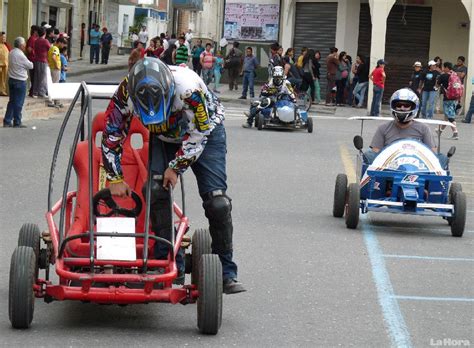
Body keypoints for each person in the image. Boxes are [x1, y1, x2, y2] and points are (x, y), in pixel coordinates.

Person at [101, 57, 246, 294]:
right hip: (164, 138)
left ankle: (226, 271)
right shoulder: (125, 92)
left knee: (218, 203)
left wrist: (176, 167)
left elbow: (199, 134)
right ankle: (168, 262)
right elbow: (111, 134)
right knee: (156, 190)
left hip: (206, 132)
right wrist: (115, 177)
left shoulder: (189, 91)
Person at [364, 88, 447, 169]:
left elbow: (432, 154)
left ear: (414, 107)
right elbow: (375, 152)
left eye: (406, 105)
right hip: (388, 168)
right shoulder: (383, 128)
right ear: (393, 106)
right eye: (398, 105)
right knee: (369, 155)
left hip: (418, 168)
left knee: (441, 158)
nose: (402, 108)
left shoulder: (424, 129)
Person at [3, 37, 33, 128]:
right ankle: (17, 121)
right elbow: (30, 65)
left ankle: (7, 120)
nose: (25, 46)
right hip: (20, 80)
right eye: (24, 44)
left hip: (12, 79)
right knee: (19, 102)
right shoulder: (20, 55)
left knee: (12, 101)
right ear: (21, 45)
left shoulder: (11, 52)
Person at [437, 62, 459, 140]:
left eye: (444, 67)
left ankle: (455, 133)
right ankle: (440, 131)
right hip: (454, 98)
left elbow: (437, 84)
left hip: (447, 98)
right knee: (446, 116)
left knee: (450, 117)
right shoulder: (455, 75)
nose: (443, 68)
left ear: (446, 68)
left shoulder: (443, 76)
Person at [47, 37, 67, 107]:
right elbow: (53, 57)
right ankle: (52, 101)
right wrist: (57, 65)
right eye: (63, 44)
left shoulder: (52, 47)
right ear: (60, 42)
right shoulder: (55, 48)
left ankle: (56, 101)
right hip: (55, 69)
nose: (63, 46)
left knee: (54, 84)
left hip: (52, 68)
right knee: (55, 85)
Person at [32, 27, 50, 98]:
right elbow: (49, 48)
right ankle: (41, 92)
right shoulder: (45, 41)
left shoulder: (36, 41)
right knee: (43, 77)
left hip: (36, 59)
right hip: (43, 60)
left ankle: (35, 92)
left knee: (36, 76)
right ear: (44, 33)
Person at [26, 25, 39, 97]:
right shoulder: (32, 39)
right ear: (35, 31)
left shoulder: (35, 38)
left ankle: (32, 91)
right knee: (33, 76)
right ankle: (32, 92)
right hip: (32, 59)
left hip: (34, 59)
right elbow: (29, 49)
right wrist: (34, 52)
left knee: (35, 76)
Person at [0, 31, 10, 96]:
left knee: (3, 79)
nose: (4, 38)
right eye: (3, 37)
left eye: (5, 37)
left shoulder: (5, 45)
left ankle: (2, 90)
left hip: (5, 65)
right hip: (0, 64)